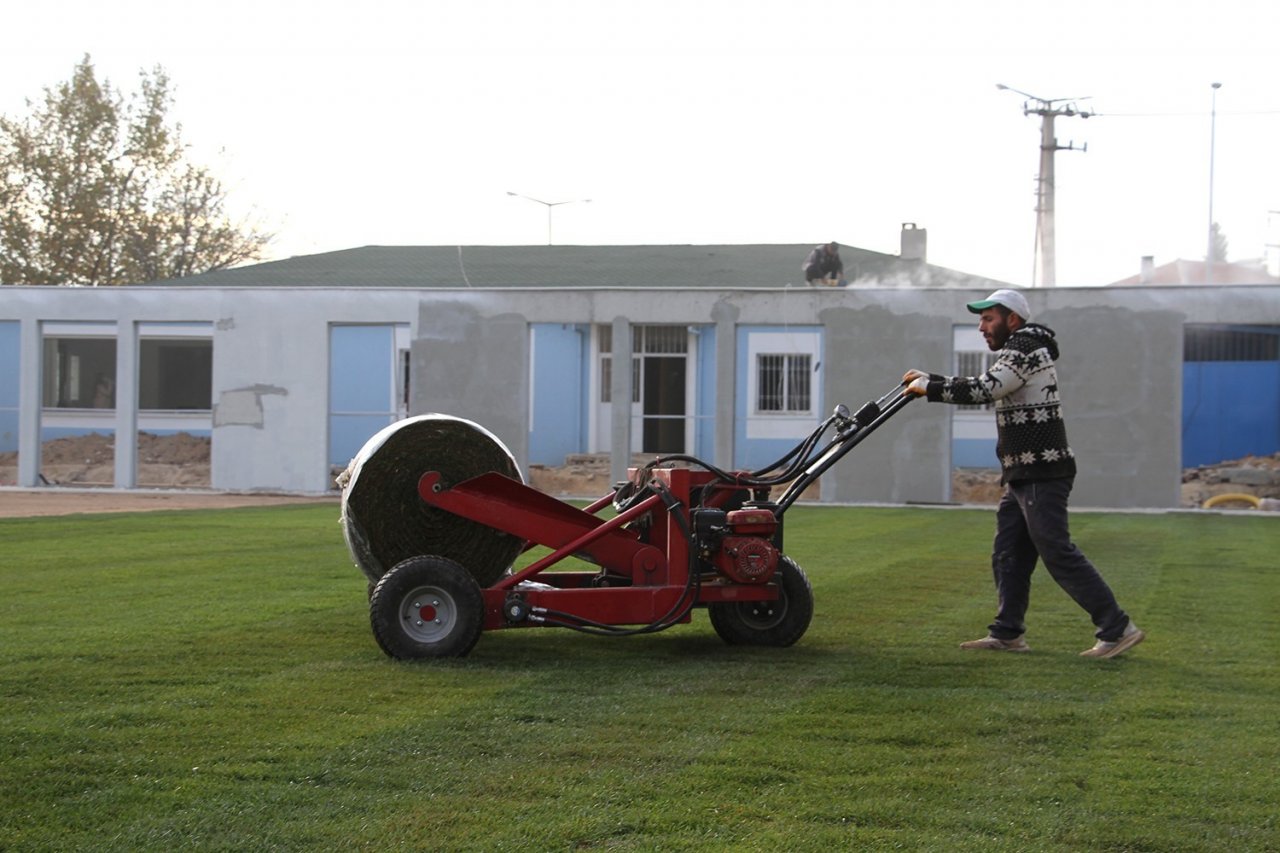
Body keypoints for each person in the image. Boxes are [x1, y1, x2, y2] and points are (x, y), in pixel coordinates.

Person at [902, 288, 1144, 659]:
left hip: (1040, 471)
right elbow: (990, 383)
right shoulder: (1021, 349)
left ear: (1011, 319)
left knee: (1056, 551)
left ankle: (1117, 626)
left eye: (988, 318)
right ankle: (1008, 633)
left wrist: (930, 388)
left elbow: (987, 388)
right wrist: (929, 377)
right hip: (1023, 473)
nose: (982, 327)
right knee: (1008, 553)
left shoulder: (1024, 347)